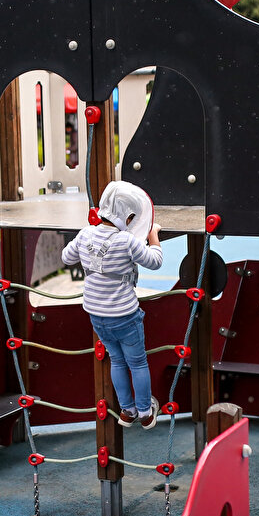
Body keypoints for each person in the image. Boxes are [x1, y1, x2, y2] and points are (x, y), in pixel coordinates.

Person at [62, 182, 163, 429]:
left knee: (117, 360)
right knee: (137, 362)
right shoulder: (127, 241)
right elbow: (155, 261)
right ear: (129, 217)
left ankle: (126, 411)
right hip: (125, 315)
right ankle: (145, 413)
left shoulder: (86, 233)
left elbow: (67, 257)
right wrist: (153, 236)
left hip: (96, 314)